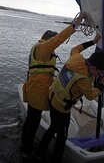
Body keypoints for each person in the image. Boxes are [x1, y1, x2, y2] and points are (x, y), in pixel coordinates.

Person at [35, 32, 104, 163]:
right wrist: (101, 86)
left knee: (54, 128)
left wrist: (93, 41)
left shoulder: (76, 57)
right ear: (92, 67)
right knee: (62, 135)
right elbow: (91, 95)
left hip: (52, 96)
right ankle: (53, 158)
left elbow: (77, 48)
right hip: (61, 107)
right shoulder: (84, 80)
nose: (100, 75)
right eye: (99, 72)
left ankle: (40, 153)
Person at [20, 12, 85, 160]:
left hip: (34, 88)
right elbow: (59, 39)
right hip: (36, 90)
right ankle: (26, 150)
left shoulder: (39, 48)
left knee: (31, 119)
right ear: (48, 39)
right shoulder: (43, 47)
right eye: (52, 43)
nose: (54, 48)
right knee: (33, 121)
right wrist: (75, 24)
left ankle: (25, 145)